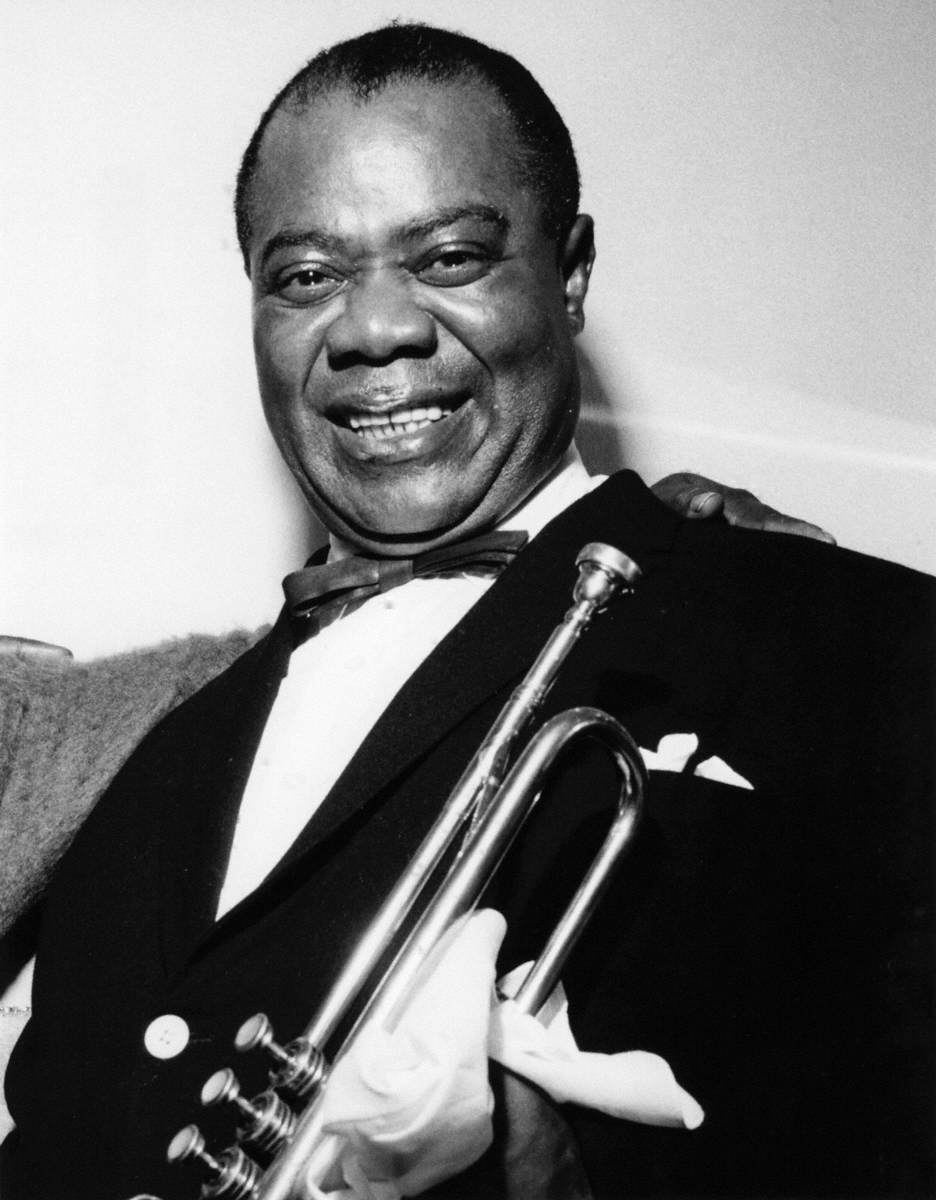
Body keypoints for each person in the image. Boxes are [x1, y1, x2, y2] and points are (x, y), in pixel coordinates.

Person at [1, 23, 931, 1200]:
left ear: (572, 270)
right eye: (306, 276)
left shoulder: (864, 642)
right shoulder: (147, 768)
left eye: (447, 257)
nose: (373, 327)